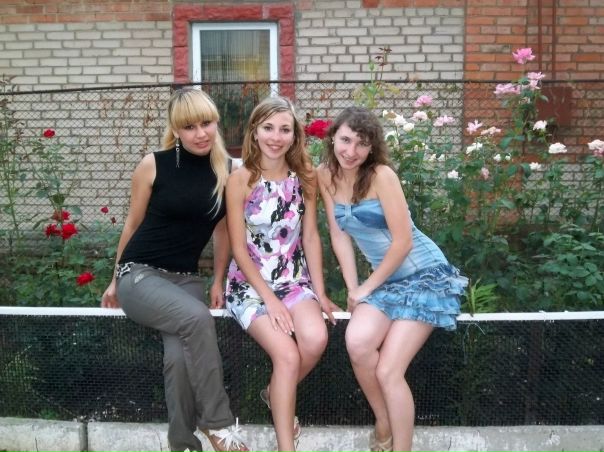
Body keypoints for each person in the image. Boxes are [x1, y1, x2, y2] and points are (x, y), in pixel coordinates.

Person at [101, 88, 249, 452]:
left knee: (180, 361)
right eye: (189, 127)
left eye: (206, 123)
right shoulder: (154, 164)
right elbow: (132, 225)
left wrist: (218, 279)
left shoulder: (230, 171)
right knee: (198, 319)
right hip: (140, 274)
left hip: (186, 281)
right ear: (176, 130)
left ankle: (181, 443)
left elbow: (223, 232)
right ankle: (218, 425)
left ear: (217, 122)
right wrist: (114, 280)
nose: (200, 133)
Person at [317, 106, 467, 452]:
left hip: (425, 276)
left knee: (388, 371)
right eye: (346, 140)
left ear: (372, 147)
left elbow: (403, 243)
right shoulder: (325, 175)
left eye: (362, 144)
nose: (351, 151)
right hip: (385, 281)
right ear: (333, 136)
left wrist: (365, 288)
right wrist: (353, 288)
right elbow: (339, 235)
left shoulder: (382, 175)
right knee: (358, 343)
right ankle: (384, 420)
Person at [224, 96, 340, 452]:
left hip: (293, 280)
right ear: (255, 132)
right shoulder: (239, 180)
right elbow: (238, 249)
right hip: (249, 284)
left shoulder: (304, 178)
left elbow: (311, 237)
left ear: (295, 135)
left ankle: (275, 392)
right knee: (287, 357)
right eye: (268, 128)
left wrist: (320, 293)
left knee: (315, 340)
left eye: (285, 129)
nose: (276, 137)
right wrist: (270, 301)